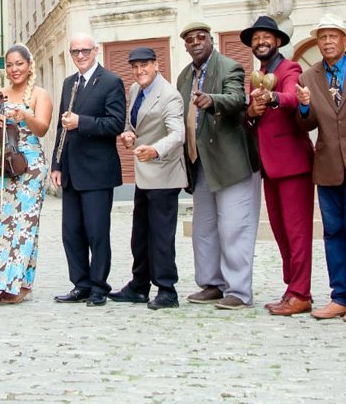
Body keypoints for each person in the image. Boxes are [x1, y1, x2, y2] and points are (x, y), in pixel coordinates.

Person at [294, 14, 346, 324]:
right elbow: (306, 125)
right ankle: (340, 297)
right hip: (328, 165)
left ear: (344, 40)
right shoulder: (309, 77)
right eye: (322, 37)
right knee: (332, 233)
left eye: (333, 36)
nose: (327, 42)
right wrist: (304, 106)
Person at [175, 22, 256, 310]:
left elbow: (237, 99)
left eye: (201, 37)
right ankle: (212, 284)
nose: (196, 42)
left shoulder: (229, 67)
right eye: (190, 40)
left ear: (211, 40)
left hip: (229, 162)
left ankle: (239, 291)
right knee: (204, 229)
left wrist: (212, 100)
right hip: (199, 163)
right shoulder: (184, 76)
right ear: (185, 46)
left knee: (234, 227)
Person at [0, 44, 54, 304]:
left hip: (29, 168)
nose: (14, 69)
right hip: (1, 166)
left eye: (19, 64)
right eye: (10, 64)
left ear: (29, 66)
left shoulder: (39, 94)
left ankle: (18, 286)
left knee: (23, 227)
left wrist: (25, 115)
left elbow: (42, 129)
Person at [241, 16, 314, 317]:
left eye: (266, 37)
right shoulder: (256, 76)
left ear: (278, 41)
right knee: (281, 231)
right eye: (256, 38)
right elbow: (253, 118)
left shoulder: (289, 69)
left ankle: (301, 293)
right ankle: (291, 288)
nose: (261, 42)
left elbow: (292, 97)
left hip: (293, 164)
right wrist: (251, 111)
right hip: (269, 165)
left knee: (297, 233)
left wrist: (271, 98)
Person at [50, 33, 126, 307]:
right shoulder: (69, 83)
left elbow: (116, 123)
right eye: (75, 52)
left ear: (95, 51)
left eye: (85, 50)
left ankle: (98, 287)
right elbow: (62, 126)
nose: (80, 56)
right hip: (71, 170)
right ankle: (80, 284)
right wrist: (56, 164)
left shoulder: (111, 82)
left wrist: (81, 122)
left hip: (97, 171)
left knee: (97, 233)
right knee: (71, 233)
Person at [108, 47, 186, 311]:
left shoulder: (170, 95)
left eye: (144, 65)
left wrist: (155, 150)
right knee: (140, 234)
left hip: (164, 173)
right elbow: (134, 124)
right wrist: (128, 134)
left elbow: (177, 135)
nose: (139, 71)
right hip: (144, 174)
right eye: (135, 66)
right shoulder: (135, 90)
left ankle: (167, 290)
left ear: (156, 65)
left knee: (161, 236)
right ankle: (139, 286)